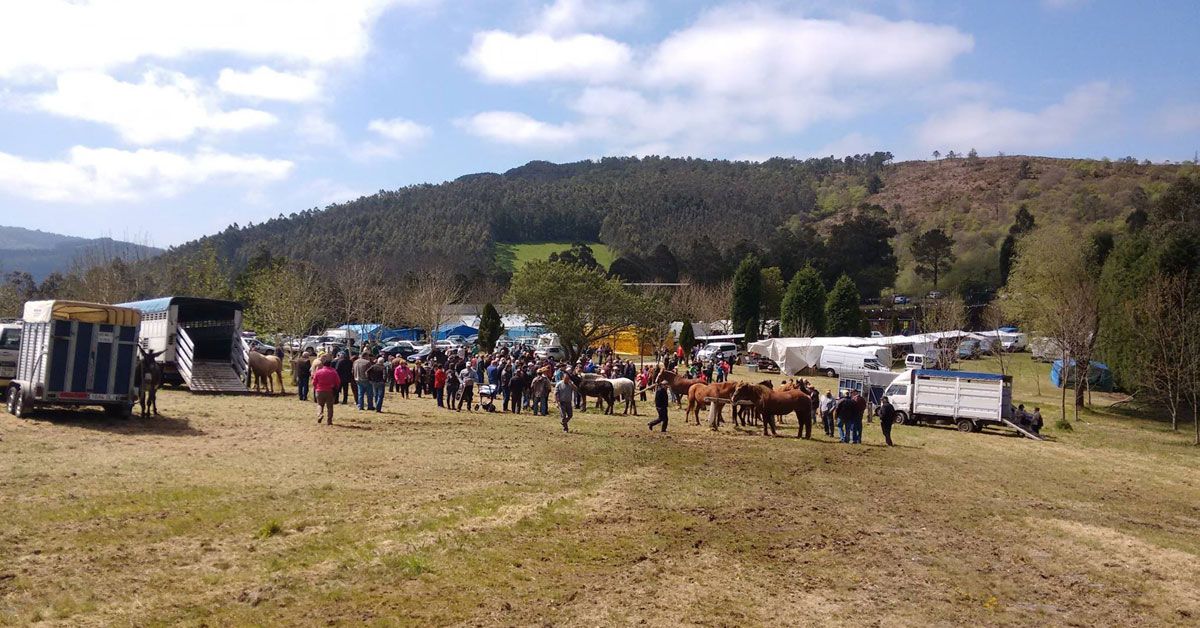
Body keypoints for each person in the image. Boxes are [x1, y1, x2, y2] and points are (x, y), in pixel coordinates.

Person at [311, 356, 340, 425]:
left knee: (320, 404)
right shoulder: (333, 372)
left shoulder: (318, 372)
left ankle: (320, 414)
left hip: (319, 390)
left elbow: (314, 382)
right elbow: (338, 382)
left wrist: (316, 388)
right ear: (330, 364)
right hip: (330, 391)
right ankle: (329, 421)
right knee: (330, 407)